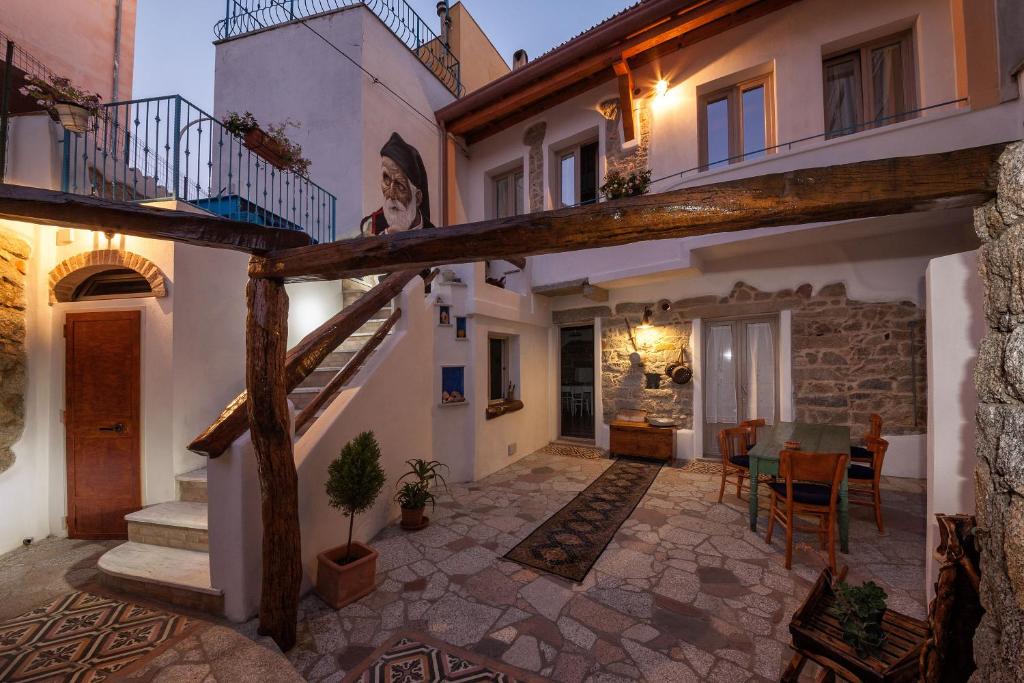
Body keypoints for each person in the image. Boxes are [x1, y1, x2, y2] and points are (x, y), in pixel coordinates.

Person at [360, 132, 434, 236]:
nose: (391, 194)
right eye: (386, 179)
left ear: (417, 198)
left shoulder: (432, 233)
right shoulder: (371, 225)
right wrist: (385, 236)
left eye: (400, 185)